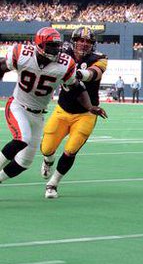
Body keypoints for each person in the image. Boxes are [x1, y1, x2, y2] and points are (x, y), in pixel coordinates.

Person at [0, 27, 106, 188]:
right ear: (39, 45)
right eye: (51, 46)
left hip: (39, 114)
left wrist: (90, 106)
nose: (55, 50)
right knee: (22, 139)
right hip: (18, 106)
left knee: (24, 162)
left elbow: (79, 86)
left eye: (57, 46)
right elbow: (2, 66)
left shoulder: (66, 63)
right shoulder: (22, 54)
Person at [40, 26, 109, 199]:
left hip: (86, 113)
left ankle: (53, 184)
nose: (84, 44)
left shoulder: (100, 58)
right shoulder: (61, 53)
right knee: (47, 148)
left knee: (71, 150)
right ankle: (48, 161)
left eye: (88, 41)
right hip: (63, 109)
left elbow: (94, 74)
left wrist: (75, 74)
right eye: (80, 40)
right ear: (74, 41)